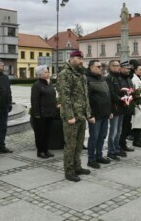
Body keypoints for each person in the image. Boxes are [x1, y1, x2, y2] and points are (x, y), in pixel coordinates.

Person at [57, 50, 95, 182]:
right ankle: (69, 171)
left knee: (79, 144)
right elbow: (64, 97)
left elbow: (85, 97)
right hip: (71, 117)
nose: (81, 61)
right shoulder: (65, 74)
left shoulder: (81, 75)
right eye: (78, 58)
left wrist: (88, 114)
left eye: (82, 59)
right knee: (70, 145)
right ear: (71, 58)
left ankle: (77, 166)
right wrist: (69, 116)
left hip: (81, 116)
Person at [86, 60, 112, 169]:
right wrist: (90, 115)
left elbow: (107, 96)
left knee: (102, 136)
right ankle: (91, 159)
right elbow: (86, 99)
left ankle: (99, 156)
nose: (101, 68)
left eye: (101, 67)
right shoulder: (87, 79)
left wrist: (110, 111)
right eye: (98, 67)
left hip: (105, 114)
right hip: (95, 115)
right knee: (94, 137)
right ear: (91, 67)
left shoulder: (102, 79)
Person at [31, 65, 57, 159]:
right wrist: (37, 114)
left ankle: (46, 150)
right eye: (46, 72)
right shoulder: (37, 85)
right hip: (41, 114)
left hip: (50, 113)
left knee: (47, 133)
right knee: (40, 134)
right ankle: (40, 151)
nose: (48, 74)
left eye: (48, 72)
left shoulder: (49, 83)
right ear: (39, 74)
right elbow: (35, 101)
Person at [106, 60, 125, 161]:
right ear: (110, 67)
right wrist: (121, 99)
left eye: (119, 66)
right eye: (115, 66)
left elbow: (121, 90)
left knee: (119, 131)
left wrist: (127, 96)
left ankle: (117, 148)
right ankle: (111, 151)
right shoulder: (109, 78)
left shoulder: (119, 77)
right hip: (114, 108)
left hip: (121, 107)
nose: (118, 67)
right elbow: (111, 93)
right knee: (113, 131)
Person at [119, 61, 135, 152]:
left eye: (129, 68)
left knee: (126, 127)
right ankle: (119, 145)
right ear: (121, 68)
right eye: (127, 68)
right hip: (122, 107)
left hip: (129, 107)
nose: (129, 70)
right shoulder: (119, 78)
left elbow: (131, 90)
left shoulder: (128, 79)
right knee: (120, 128)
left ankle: (123, 143)